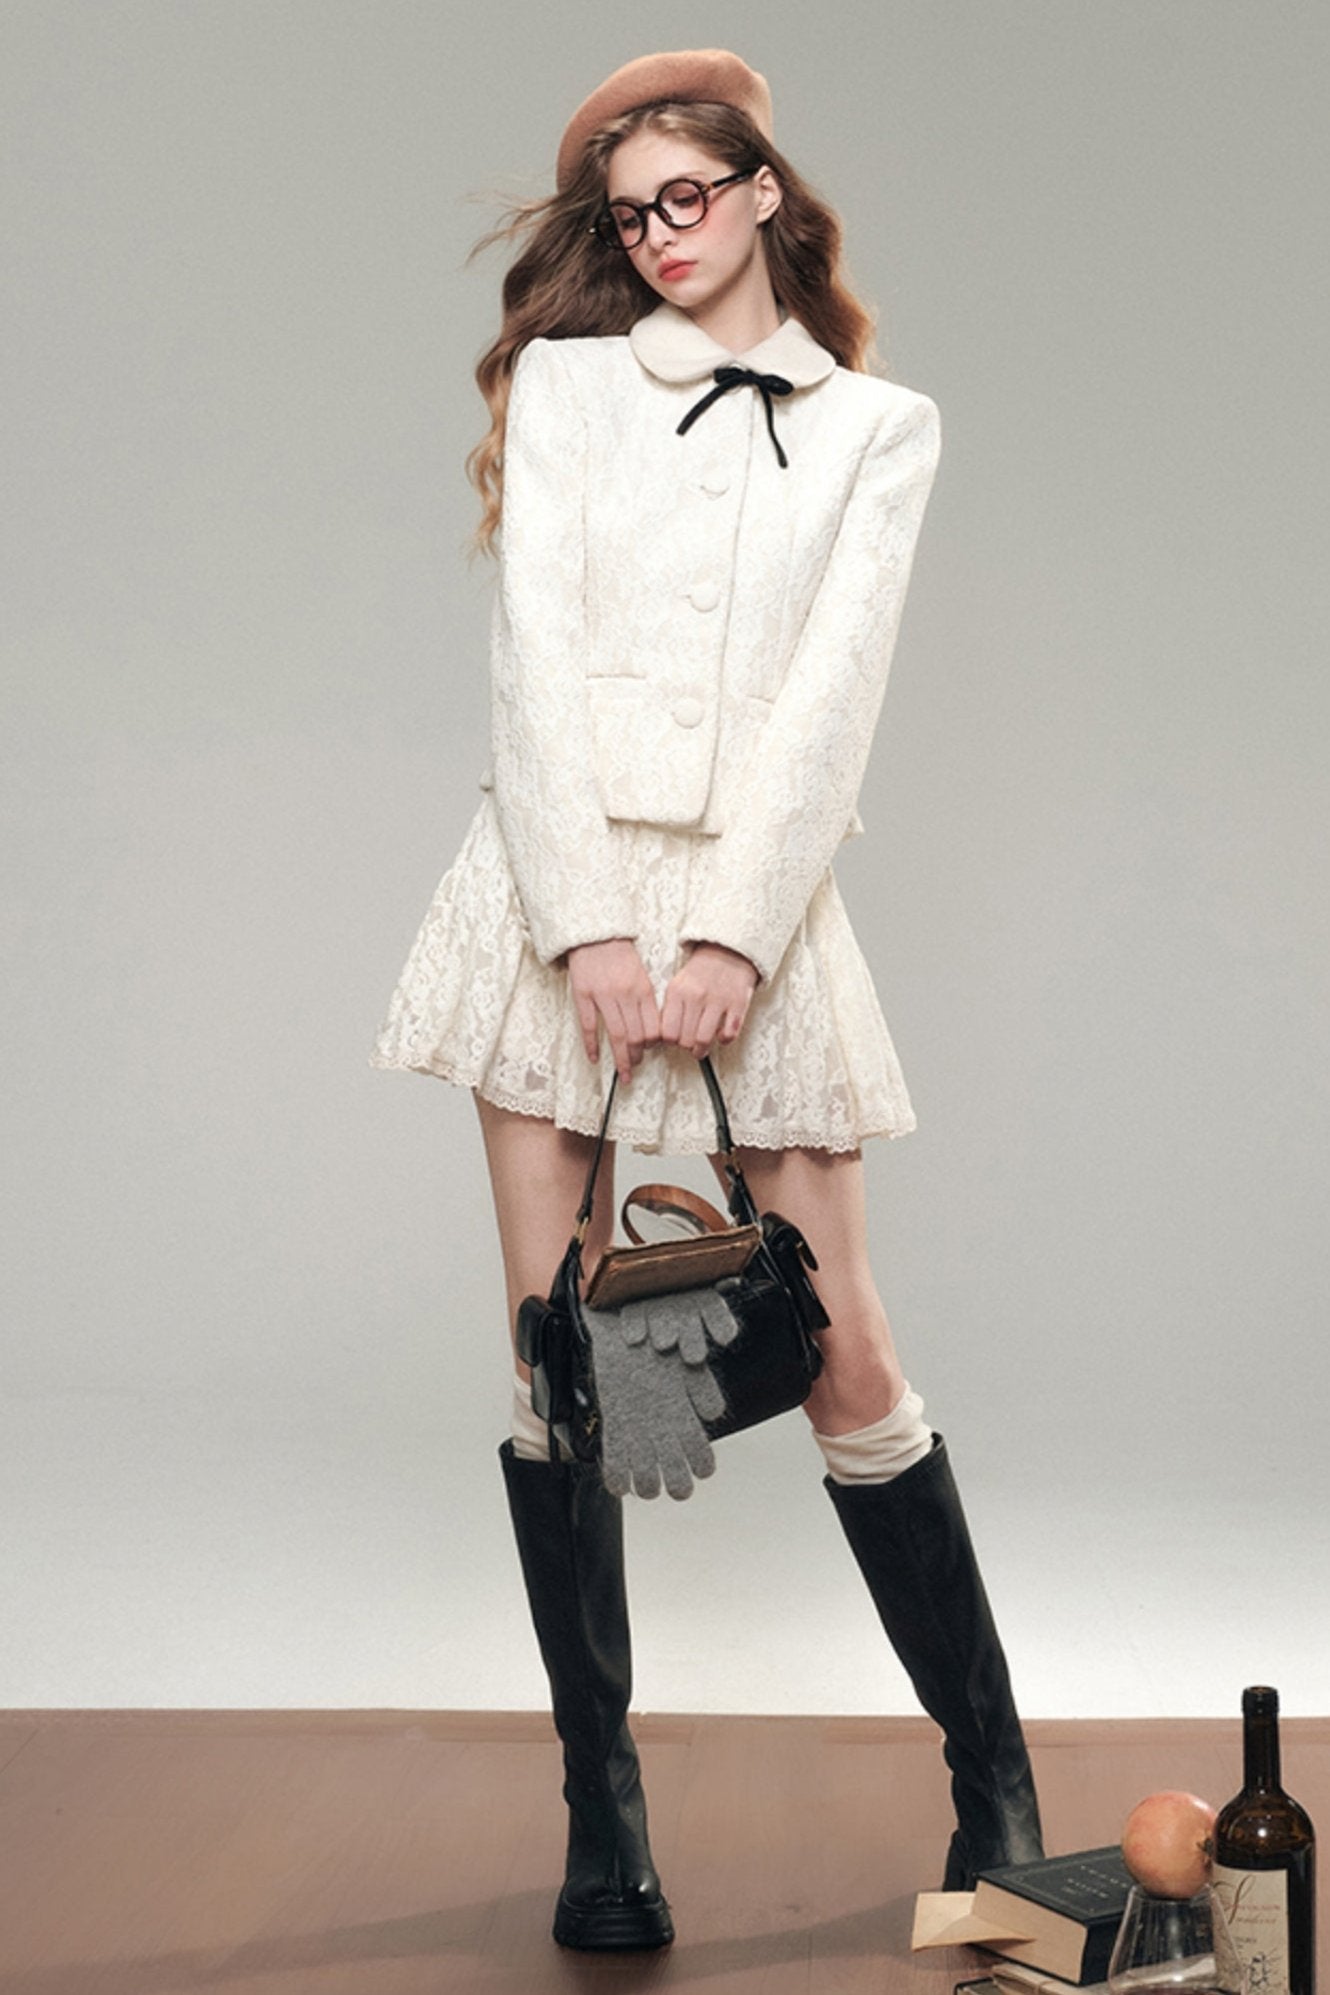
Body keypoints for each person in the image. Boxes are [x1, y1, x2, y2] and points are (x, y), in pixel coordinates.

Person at [371, 48, 1043, 1954]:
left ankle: (992, 1787)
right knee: (557, 1357)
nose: (658, 234)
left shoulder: (878, 428)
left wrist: (730, 938)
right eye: (627, 212)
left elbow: (836, 693)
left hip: (764, 911)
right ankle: (604, 1814)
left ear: (761, 191)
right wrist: (587, 923)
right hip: (549, 899)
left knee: (845, 1352)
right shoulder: (572, 385)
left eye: (686, 195)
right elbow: (533, 655)